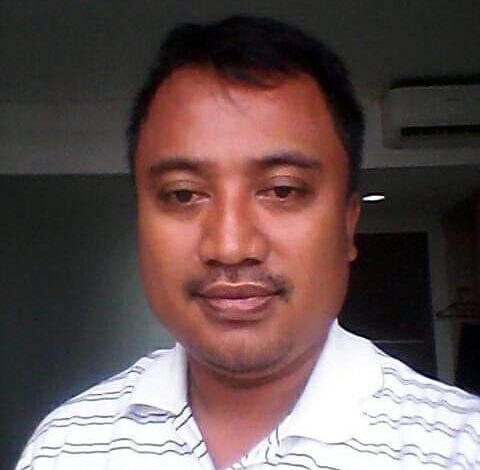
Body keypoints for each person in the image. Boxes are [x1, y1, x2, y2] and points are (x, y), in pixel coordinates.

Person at [16, 15, 480, 470]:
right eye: (183, 194)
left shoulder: (459, 447)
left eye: (282, 190)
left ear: (347, 225)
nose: (230, 246)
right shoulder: (66, 446)